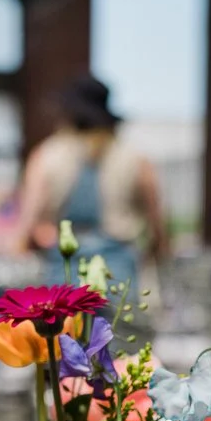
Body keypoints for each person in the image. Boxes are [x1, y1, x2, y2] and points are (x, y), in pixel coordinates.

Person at [15, 76, 168, 289]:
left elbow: (29, 223)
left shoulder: (47, 156)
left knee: (66, 322)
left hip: (64, 273)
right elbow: (158, 227)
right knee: (116, 322)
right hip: (118, 275)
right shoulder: (135, 159)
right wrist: (152, 256)